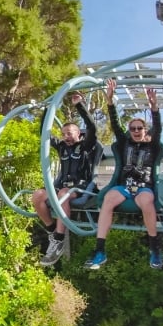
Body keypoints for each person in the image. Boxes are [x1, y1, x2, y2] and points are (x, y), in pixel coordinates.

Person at [86, 79, 163, 270]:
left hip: (144, 186)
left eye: (139, 128)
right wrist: (110, 101)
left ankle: (154, 248)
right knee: (108, 200)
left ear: (145, 130)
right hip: (125, 186)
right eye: (133, 128)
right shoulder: (124, 143)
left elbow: (158, 128)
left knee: (146, 201)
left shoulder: (152, 145)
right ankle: (100, 250)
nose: (136, 131)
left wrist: (154, 108)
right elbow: (115, 124)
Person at [33, 91, 97, 266]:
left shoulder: (86, 146)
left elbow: (92, 127)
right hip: (62, 186)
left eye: (69, 133)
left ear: (78, 134)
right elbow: (44, 134)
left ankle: (59, 239)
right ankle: (52, 231)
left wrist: (79, 105)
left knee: (63, 194)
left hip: (80, 186)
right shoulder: (61, 147)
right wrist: (48, 110)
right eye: (63, 134)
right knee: (38, 195)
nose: (66, 136)